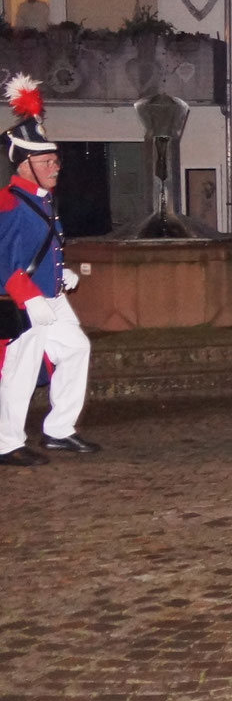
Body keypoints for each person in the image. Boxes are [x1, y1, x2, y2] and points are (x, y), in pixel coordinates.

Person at [0, 75, 94, 465]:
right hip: (24, 304)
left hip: (50, 298)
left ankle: (59, 430)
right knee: (20, 371)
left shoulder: (43, 200)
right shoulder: (8, 203)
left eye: (55, 160)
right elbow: (3, 259)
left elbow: (41, 248)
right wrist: (28, 296)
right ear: (24, 164)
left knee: (76, 349)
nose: (55, 167)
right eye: (46, 161)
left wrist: (62, 274)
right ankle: (5, 442)